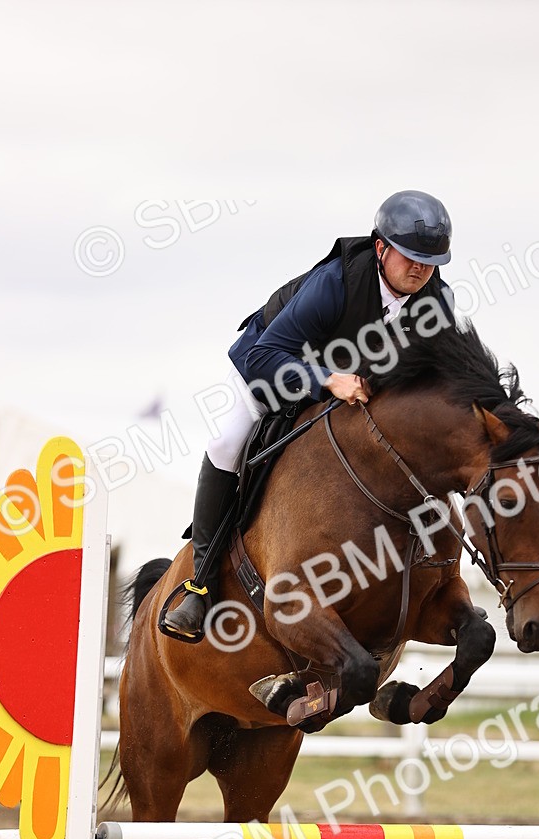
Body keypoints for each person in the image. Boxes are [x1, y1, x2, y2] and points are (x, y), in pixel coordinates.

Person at [161, 189, 454, 641]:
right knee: (226, 443)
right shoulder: (334, 284)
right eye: (410, 257)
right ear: (381, 248)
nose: (419, 268)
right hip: (274, 369)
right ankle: (200, 585)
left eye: (430, 261)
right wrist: (327, 380)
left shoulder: (437, 301)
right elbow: (263, 357)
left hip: (352, 393)